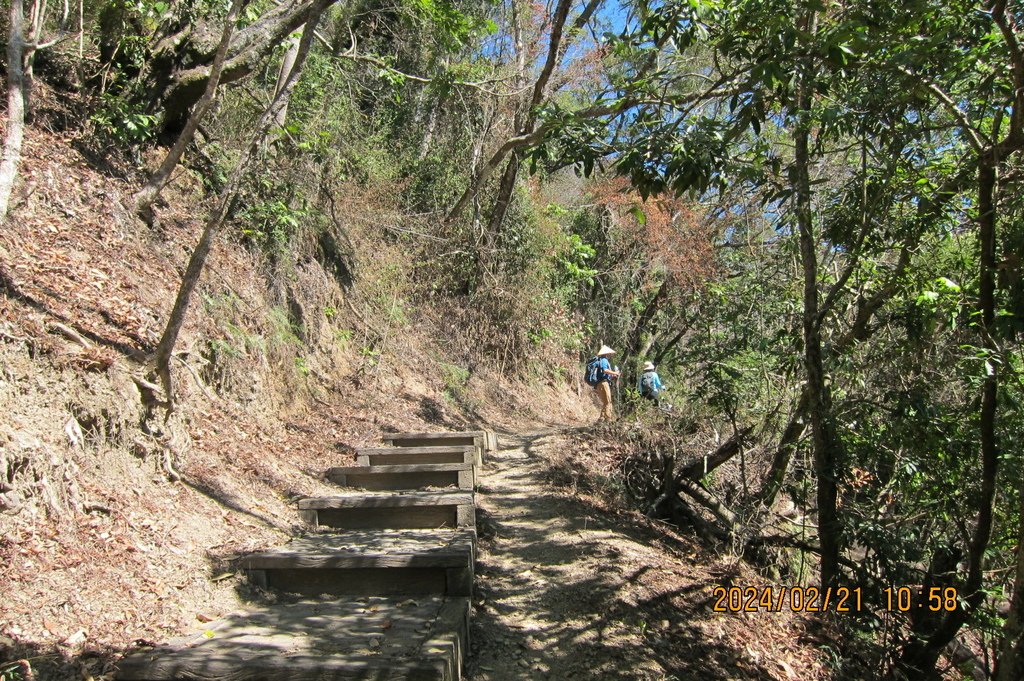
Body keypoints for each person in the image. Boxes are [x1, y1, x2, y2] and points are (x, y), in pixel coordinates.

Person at [588, 345, 620, 422]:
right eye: (609, 353)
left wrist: (613, 375)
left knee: (606, 401)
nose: (610, 355)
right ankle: (608, 419)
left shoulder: (602, 360)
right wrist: (615, 372)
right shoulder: (604, 360)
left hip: (602, 382)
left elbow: (604, 373)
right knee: (608, 401)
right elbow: (605, 370)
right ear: (607, 353)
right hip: (603, 383)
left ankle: (602, 419)